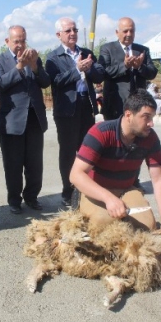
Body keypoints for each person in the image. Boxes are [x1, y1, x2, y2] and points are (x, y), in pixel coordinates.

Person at [69, 89, 161, 236]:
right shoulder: (101, 132)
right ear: (129, 115)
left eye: (152, 117)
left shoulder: (150, 138)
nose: (151, 123)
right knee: (102, 225)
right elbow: (76, 175)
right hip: (96, 190)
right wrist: (108, 198)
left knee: (148, 227)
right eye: (146, 117)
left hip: (126, 189)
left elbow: (158, 179)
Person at [45, 17, 105, 207]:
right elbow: (56, 81)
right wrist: (77, 69)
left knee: (87, 151)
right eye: (68, 31)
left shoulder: (86, 53)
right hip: (66, 110)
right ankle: (68, 189)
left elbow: (99, 75)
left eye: (75, 30)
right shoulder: (53, 57)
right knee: (68, 152)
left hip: (86, 106)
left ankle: (87, 187)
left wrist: (89, 69)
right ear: (59, 35)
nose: (73, 34)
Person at [0, 25, 50, 214]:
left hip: (34, 119)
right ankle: (14, 200)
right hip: (12, 121)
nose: (20, 45)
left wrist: (33, 66)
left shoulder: (34, 58)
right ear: (7, 41)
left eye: (23, 40)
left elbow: (45, 82)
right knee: (13, 164)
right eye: (16, 41)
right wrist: (19, 66)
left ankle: (31, 197)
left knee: (34, 163)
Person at [98, 17, 157, 120]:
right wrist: (124, 66)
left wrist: (139, 67)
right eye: (125, 31)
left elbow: (152, 73)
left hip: (138, 105)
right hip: (115, 105)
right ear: (117, 32)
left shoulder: (142, 50)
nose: (129, 34)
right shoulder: (107, 49)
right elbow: (103, 73)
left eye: (132, 31)